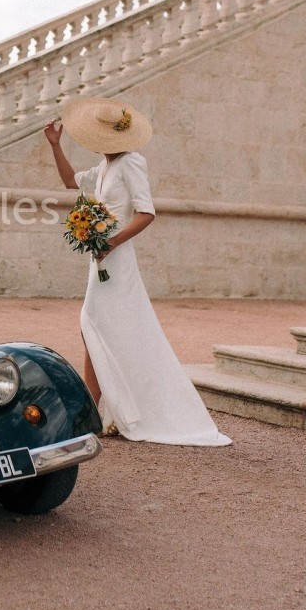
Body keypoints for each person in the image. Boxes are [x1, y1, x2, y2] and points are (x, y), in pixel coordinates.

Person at [45, 97, 231, 446]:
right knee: (97, 330)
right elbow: (72, 182)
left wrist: (111, 242)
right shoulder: (102, 167)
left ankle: (93, 412)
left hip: (117, 258)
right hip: (100, 260)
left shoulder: (132, 163)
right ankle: (99, 412)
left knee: (92, 325)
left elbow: (146, 213)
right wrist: (56, 146)